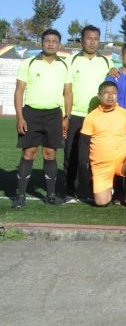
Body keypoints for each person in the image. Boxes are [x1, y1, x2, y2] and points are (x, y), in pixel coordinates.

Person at [12, 29, 73, 208]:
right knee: (28, 153)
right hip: (31, 113)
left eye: (55, 41)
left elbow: (68, 93)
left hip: (54, 114)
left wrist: (67, 117)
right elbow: (19, 91)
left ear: (59, 44)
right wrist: (20, 117)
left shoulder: (64, 65)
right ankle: (21, 196)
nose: (51, 43)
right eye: (47, 40)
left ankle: (51, 195)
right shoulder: (28, 63)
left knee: (50, 153)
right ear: (42, 43)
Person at [79, 81, 126, 212]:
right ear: (99, 96)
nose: (110, 96)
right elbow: (84, 142)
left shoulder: (125, 114)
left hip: (121, 161)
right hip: (101, 165)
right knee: (101, 202)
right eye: (106, 93)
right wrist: (83, 166)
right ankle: (114, 187)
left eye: (113, 93)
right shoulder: (91, 117)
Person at [64, 24, 112, 203]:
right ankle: (70, 191)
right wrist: (66, 115)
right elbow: (66, 90)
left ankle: (92, 189)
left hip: (99, 116)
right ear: (82, 40)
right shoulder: (72, 61)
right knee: (72, 153)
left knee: (96, 154)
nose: (92, 42)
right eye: (89, 38)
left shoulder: (107, 62)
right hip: (76, 114)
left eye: (96, 38)